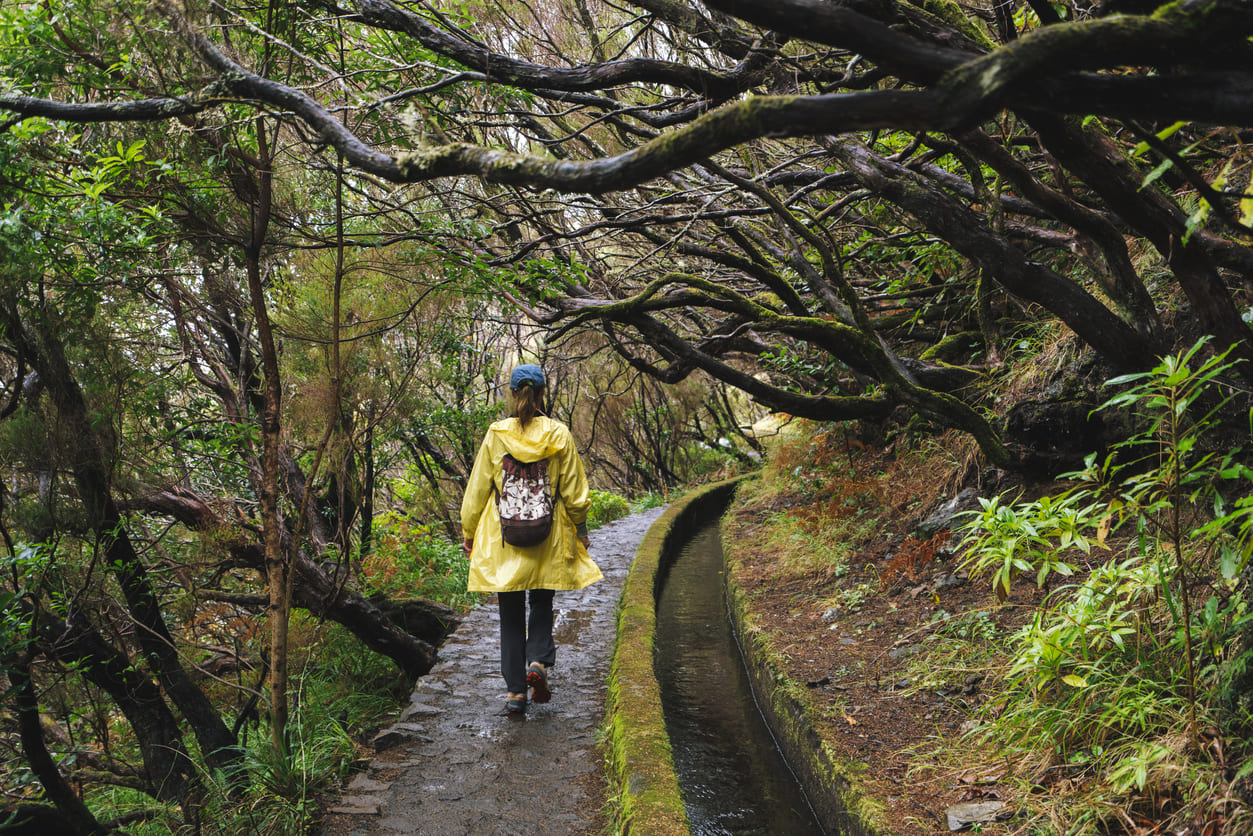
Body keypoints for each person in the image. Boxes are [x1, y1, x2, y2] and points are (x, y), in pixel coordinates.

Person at [461, 364, 602, 714]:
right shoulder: (558, 434)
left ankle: (515, 694)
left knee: (510, 614)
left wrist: (468, 533)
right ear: (542, 394)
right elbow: (574, 492)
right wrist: (581, 532)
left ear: (513, 394)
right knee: (541, 599)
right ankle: (537, 661)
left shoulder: (496, 435)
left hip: (504, 538)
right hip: (547, 534)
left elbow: (478, 490)